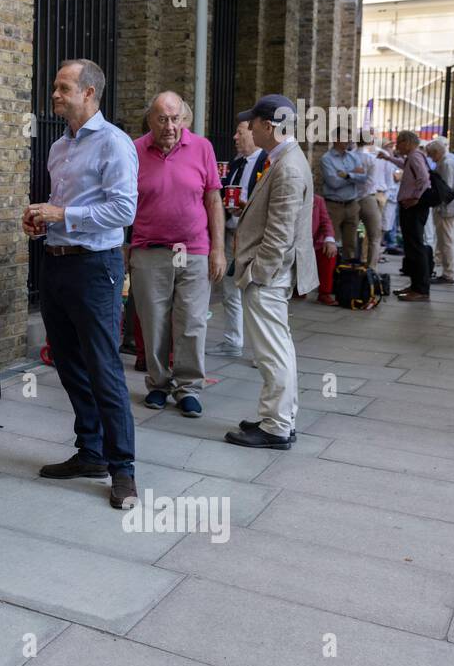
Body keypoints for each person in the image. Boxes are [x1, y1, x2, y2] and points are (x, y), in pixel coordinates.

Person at [23, 59, 139, 509]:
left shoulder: (115, 143)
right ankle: (90, 451)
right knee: (68, 364)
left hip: (97, 268)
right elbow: (63, 206)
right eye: (55, 87)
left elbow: (123, 212)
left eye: (63, 87)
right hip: (57, 263)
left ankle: (123, 469)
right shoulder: (59, 146)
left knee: (104, 366)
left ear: (89, 93)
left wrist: (62, 216)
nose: (55, 94)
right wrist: (43, 221)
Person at [224, 94, 317, 450]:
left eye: (252, 123)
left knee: (271, 352)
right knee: (278, 349)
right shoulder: (284, 159)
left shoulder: (288, 166)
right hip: (271, 274)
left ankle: (276, 426)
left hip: (268, 276)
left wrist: (257, 275)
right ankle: (278, 417)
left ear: (267, 126)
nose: (246, 129)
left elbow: (279, 233)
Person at [127, 91, 225, 416]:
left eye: (176, 118)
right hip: (149, 249)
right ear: (150, 120)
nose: (170, 126)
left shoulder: (202, 148)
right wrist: (126, 250)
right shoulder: (135, 150)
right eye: (162, 119)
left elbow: (213, 200)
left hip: (194, 249)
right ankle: (158, 383)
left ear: (184, 117)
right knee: (153, 321)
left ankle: (189, 388)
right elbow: (123, 202)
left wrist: (219, 250)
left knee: (192, 321)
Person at [209, 120, 267, 357]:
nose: (234, 137)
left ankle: (261, 351)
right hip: (231, 234)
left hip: (255, 238)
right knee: (230, 289)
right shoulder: (234, 164)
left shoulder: (268, 162)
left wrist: (246, 209)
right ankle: (233, 341)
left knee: (257, 293)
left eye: (239, 133)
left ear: (252, 135)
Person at [379, 130, 431, 301]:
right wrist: (388, 158)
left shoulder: (415, 156)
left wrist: (415, 198)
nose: (397, 146)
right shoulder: (413, 156)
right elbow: (404, 165)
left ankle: (421, 289)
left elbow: (424, 179)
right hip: (410, 206)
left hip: (413, 207)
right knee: (411, 246)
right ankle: (415, 284)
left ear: (407, 142)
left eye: (399, 142)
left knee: (415, 247)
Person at [427, 137, 454, 285]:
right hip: (446, 207)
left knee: (445, 241)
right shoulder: (446, 162)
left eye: (431, 154)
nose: (431, 158)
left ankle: (448, 273)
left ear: (437, 152)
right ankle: (446, 271)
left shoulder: (446, 164)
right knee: (444, 240)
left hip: (446, 208)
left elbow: (445, 188)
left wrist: (436, 204)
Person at [319, 138, 366, 260]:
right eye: (345, 138)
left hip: (352, 205)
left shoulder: (353, 157)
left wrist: (346, 175)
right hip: (334, 206)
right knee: (332, 241)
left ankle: (348, 272)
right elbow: (333, 182)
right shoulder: (326, 158)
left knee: (351, 243)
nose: (349, 141)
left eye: (350, 138)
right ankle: (333, 271)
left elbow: (363, 177)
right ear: (336, 140)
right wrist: (353, 174)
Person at [353, 139, 384, 269]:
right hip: (368, 198)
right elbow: (371, 181)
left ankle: (351, 265)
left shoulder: (350, 157)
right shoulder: (371, 159)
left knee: (351, 235)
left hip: (352, 198)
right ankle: (371, 268)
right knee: (374, 237)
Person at [312, 194, 338, 304]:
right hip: (290, 243)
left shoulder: (318, 200)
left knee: (329, 251)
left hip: (311, 243)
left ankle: (324, 293)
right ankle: (297, 290)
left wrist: (330, 239)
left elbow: (326, 221)